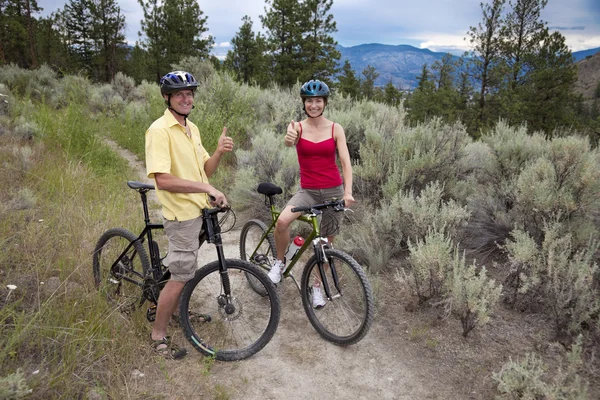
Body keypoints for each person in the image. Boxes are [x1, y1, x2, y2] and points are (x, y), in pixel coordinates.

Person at [145, 70, 234, 359]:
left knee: (184, 267)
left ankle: (176, 308)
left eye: (189, 93)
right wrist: (206, 187)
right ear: (167, 98)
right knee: (182, 274)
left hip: (199, 210)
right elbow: (163, 180)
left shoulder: (191, 128)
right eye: (179, 94)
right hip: (181, 214)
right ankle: (158, 333)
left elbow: (204, 170)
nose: (186, 98)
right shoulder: (159, 130)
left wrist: (218, 152)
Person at [268, 79, 355, 308]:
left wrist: (347, 192)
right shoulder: (297, 127)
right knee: (282, 222)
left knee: (326, 244)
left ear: (324, 102)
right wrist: (289, 138)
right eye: (309, 101)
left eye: (318, 101)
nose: (313, 105)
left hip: (333, 191)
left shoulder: (336, 129)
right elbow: (289, 141)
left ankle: (316, 287)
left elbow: (345, 163)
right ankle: (279, 262)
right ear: (304, 103)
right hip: (307, 191)